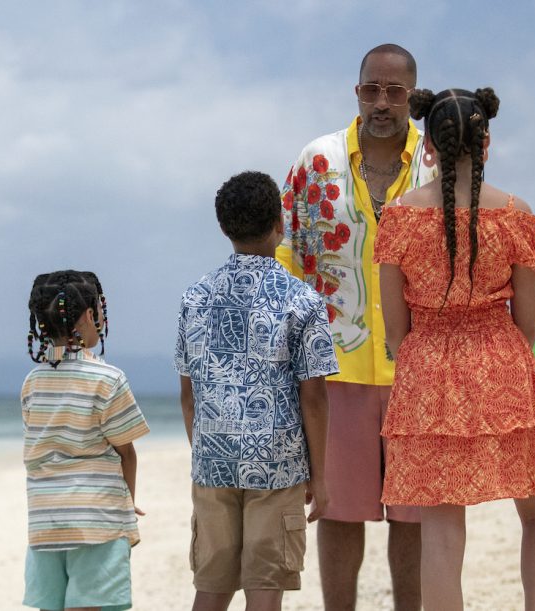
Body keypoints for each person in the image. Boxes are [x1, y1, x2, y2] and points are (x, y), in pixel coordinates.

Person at [276, 43, 535, 611]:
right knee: (344, 511)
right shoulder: (316, 161)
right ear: (357, 92)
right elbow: (287, 259)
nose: (381, 101)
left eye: (394, 91)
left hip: (417, 369)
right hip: (340, 362)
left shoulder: (423, 180)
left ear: (414, 103)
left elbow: (475, 270)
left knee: (425, 518)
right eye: (372, 89)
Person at [375, 87, 535, 610]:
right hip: (502, 359)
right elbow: (526, 323)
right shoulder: (515, 214)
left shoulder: (400, 217)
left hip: (428, 366)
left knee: (441, 528)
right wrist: (499, 358)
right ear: (486, 142)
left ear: (428, 144)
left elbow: (395, 331)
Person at [175, 171, 339, 611]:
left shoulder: (195, 297)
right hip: (277, 463)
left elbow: (188, 394)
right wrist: (320, 476)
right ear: (280, 225)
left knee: (211, 586)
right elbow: (315, 397)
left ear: (223, 227)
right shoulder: (302, 301)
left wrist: (206, 452)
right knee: (265, 587)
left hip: (213, 461)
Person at [22, 270, 150, 611]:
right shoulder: (108, 379)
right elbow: (127, 452)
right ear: (91, 316)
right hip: (97, 519)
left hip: (45, 523)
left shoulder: (32, 383)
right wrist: (128, 501)